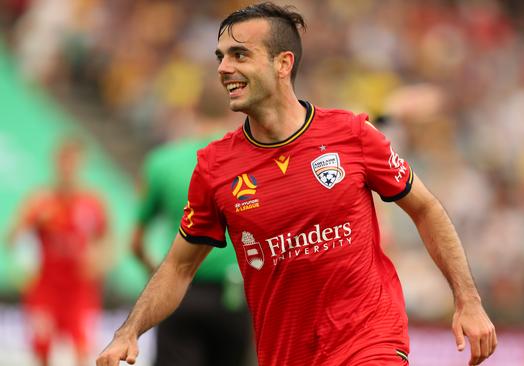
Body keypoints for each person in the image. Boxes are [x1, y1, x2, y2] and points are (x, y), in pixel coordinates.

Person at [97, 3, 497, 366]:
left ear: (283, 63)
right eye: (220, 57)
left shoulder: (352, 134)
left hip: (369, 341)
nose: (222, 68)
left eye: (239, 55)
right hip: (287, 354)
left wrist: (468, 301)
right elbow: (179, 267)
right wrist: (129, 331)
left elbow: (425, 208)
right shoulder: (214, 168)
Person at [130, 97, 251, 366]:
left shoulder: (162, 162)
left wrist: (157, 273)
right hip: (235, 294)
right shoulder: (248, 161)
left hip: (179, 291)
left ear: (192, 113)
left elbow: (136, 242)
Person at [7, 138, 110, 366]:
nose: (67, 168)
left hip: (79, 290)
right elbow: (11, 238)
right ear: (55, 163)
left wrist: (99, 260)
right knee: (42, 349)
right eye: (64, 162)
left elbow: (108, 240)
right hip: (46, 288)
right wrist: (29, 225)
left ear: (81, 164)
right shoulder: (40, 200)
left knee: (83, 351)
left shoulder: (92, 202)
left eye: (73, 162)